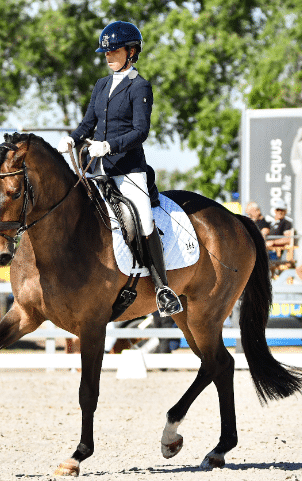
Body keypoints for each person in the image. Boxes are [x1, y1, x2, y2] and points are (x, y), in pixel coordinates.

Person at [57, 21, 182, 316]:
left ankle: (162, 289)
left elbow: (141, 131)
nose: (108, 56)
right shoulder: (101, 85)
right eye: (106, 52)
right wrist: (72, 139)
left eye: (114, 51)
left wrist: (109, 146)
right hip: (97, 168)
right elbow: (89, 122)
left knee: (144, 222)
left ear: (131, 52)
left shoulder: (140, 86)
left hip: (128, 169)